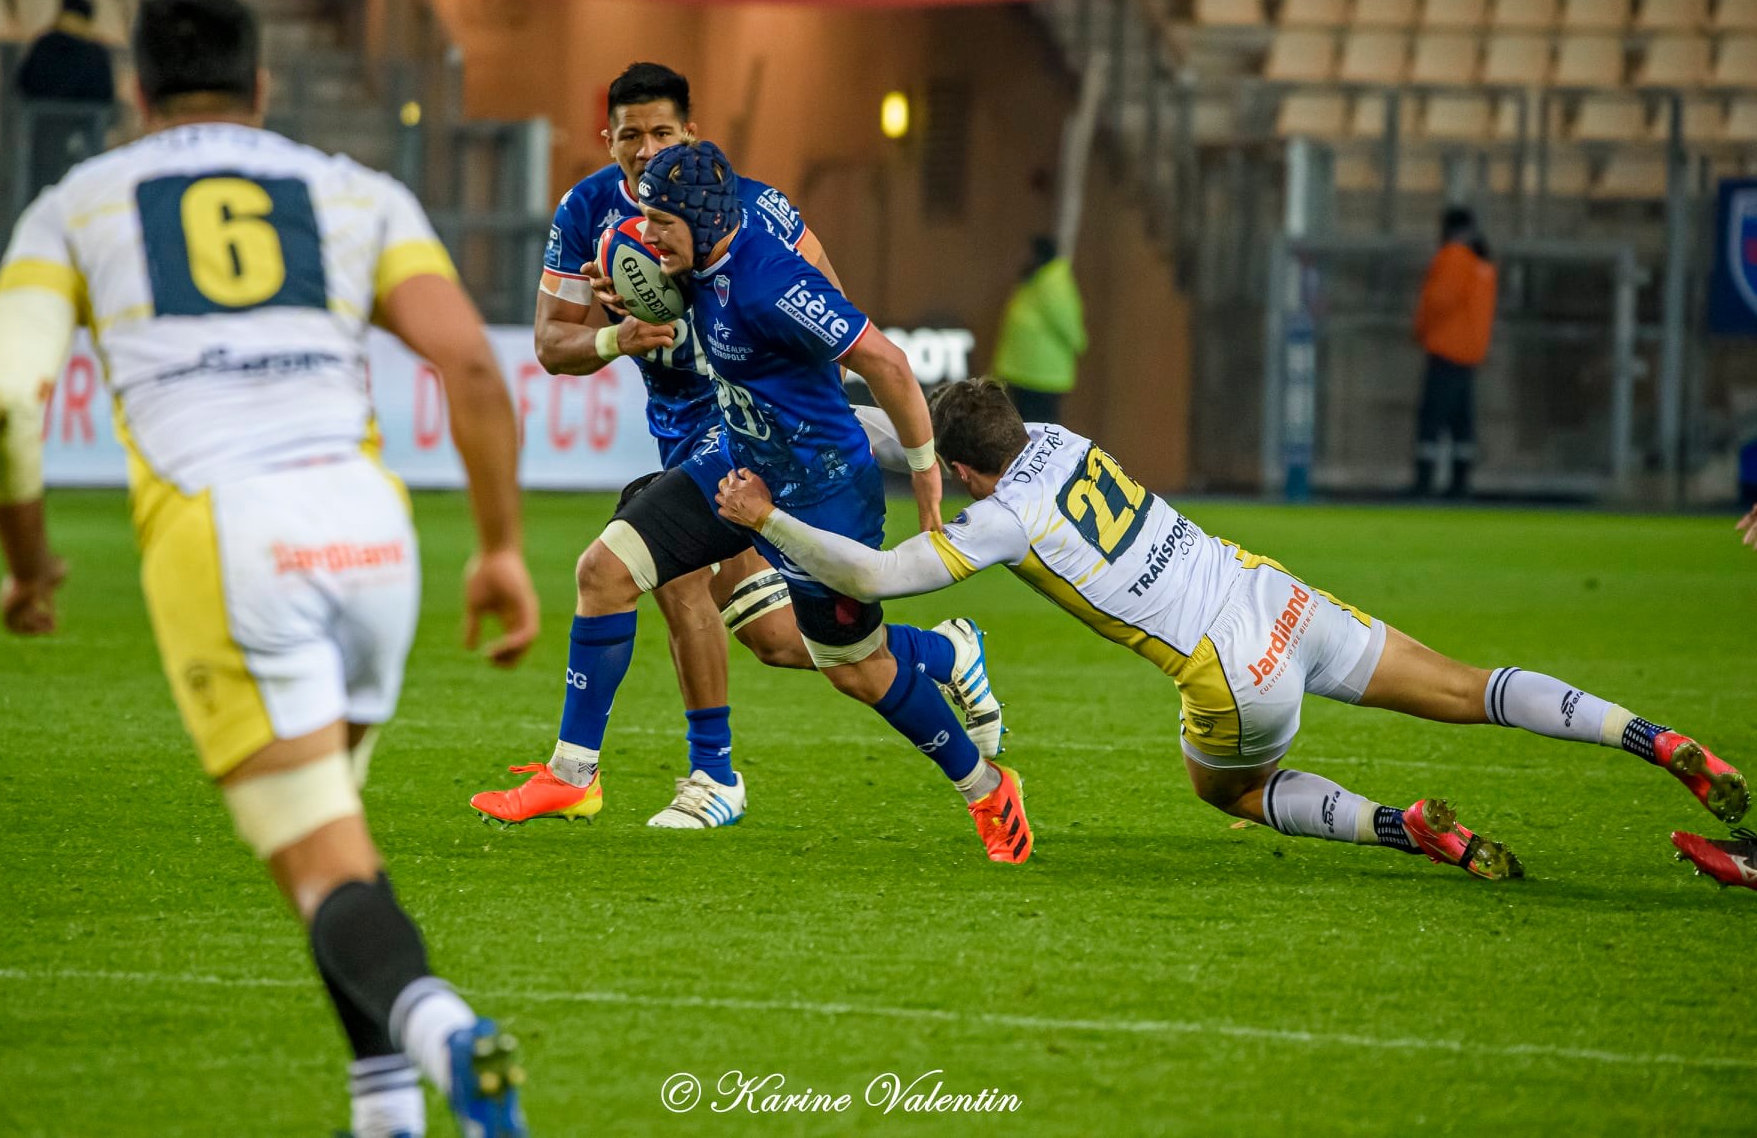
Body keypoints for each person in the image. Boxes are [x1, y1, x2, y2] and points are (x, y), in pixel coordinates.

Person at [0, 0, 534, 1138]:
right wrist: (501, 549)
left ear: (133, 91)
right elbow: (471, 364)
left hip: (231, 542)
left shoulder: (77, 204)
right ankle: (386, 1111)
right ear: (263, 86)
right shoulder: (353, 190)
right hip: (373, 534)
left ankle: (446, 1038)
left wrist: (26, 565)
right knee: (339, 848)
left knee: (323, 867)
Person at [715, 378, 1750, 879]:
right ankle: (1649, 737)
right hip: (1275, 597)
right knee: (1469, 686)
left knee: (1227, 791)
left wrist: (769, 521)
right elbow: (938, 439)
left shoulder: (999, 520)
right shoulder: (1064, 441)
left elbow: (876, 574)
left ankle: (1406, 827)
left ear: (973, 470)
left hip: (1231, 670)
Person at [475, 61, 998, 831]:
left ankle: (710, 775)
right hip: (689, 433)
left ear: (690, 132)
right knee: (776, 638)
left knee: (701, 597)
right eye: (631, 135)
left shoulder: (748, 215)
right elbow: (553, 344)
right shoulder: (590, 211)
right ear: (608, 139)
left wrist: (817, 398)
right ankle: (946, 658)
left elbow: (831, 307)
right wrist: (621, 330)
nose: (646, 148)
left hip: (751, 434)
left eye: (662, 133)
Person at [1412, 206, 1498, 499]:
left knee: (1432, 419)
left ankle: (1424, 482)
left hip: (1446, 350)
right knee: (1461, 421)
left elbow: (1438, 301)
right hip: (1470, 353)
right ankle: (1460, 483)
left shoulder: (1453, 258)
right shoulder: (1482, 264)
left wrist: (1421, 330)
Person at [13, 0, 116, 195]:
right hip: (83, 139)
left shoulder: (44, 45)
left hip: (44, 137)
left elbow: (23, 84)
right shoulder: (95, 53)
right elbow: (106, 96)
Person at [989, 235, 1085, 425]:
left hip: (1040, 374)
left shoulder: (1052, 282)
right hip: (1029, 370)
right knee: (1028, 423)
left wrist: (1080, 342)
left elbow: (1066, 321)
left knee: (1038, 424)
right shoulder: (1040, 278)